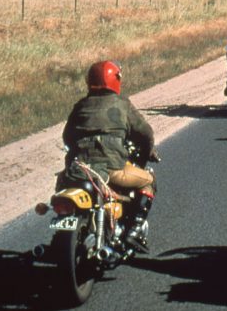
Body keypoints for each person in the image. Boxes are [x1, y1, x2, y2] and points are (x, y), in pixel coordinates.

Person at [60, 60, 159, 253]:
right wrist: (148, 152)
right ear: (116, 80)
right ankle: (135, 229)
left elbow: (68, 136)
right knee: (149, 180)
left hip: (79, 169)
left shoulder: (81, 105)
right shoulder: (122, 104)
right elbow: (145, 133)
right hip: (111, 168)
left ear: (90, 80)